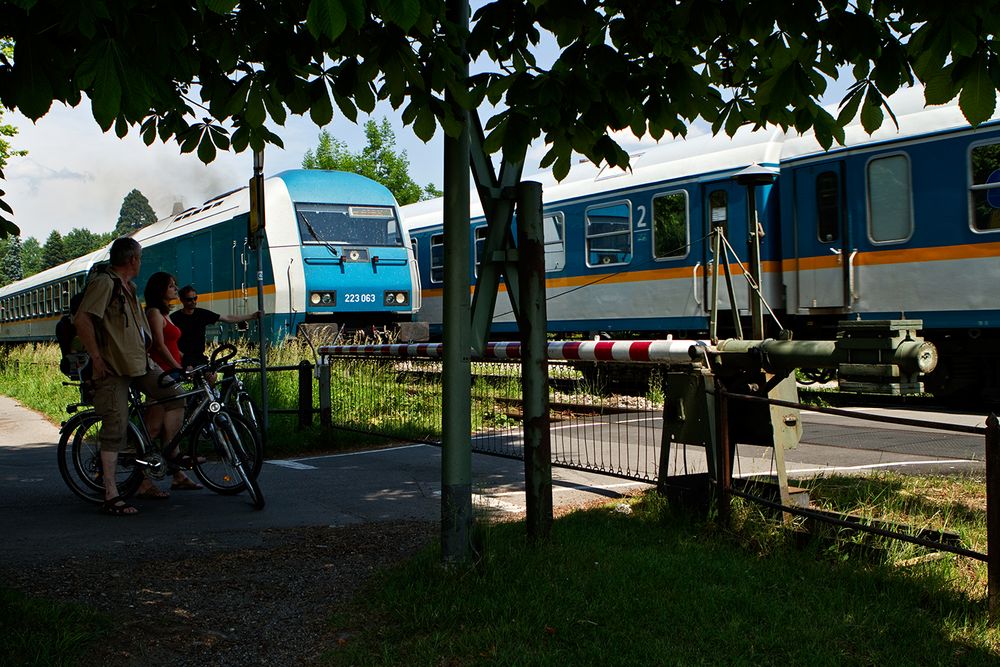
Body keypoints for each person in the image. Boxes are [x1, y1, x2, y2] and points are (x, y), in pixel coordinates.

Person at [74, 238, 186, 516]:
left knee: (175, 395)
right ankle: (111, 495)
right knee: (114, 427)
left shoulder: (130, 287)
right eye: (140, 258)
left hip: (140, 363)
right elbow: (82, 320)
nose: (140, 262)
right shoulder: (105, 283)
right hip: (113, 367)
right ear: (132, 260)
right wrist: (97, 360)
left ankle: (170, 455)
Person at [141, 271, 204, 496]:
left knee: (160, 428)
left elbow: (174, 346)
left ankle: (177, 474)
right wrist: (176, 368)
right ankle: (145, 480)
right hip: (159, 374)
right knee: (154, 428)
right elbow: (158, 345)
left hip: (171, 372)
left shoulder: (166, 314)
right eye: (171, 286)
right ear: (160, 290)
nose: (175, 289)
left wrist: (188, 364)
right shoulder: (154, 313)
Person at [173, 285, 261, 369]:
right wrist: (185, 360)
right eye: (189, 299)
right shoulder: (175, 318)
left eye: (195, 298)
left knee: (211, 377)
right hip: (182, 358)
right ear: (182, 300)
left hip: (199, 357)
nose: (193, 302)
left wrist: (252, 316)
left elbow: (227, 318)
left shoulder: (201, 314)